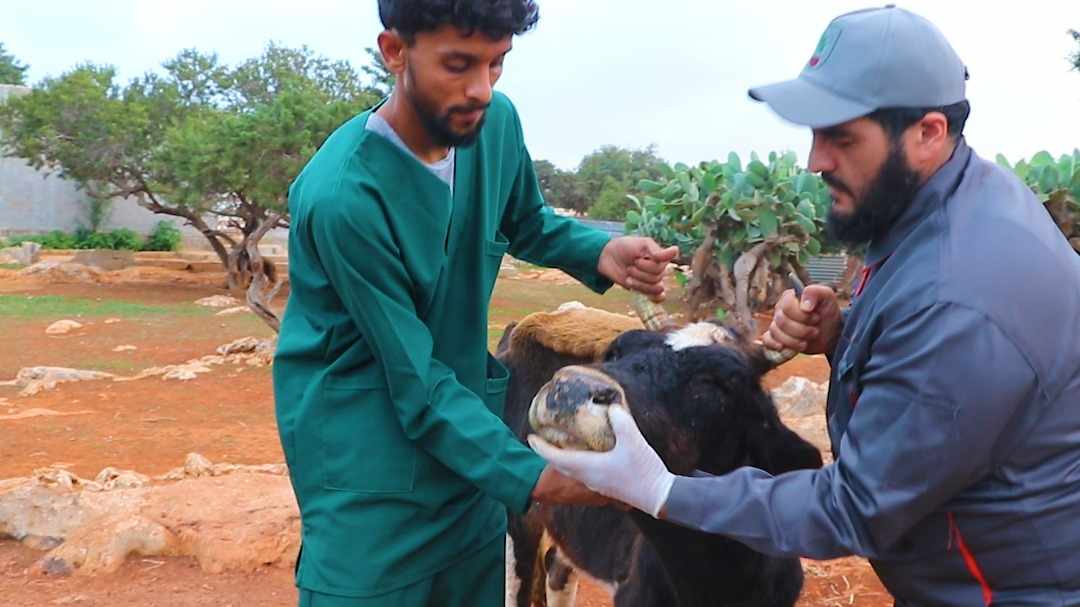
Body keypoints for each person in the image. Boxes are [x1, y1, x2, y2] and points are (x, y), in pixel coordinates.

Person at [531, 6, 1080, 605]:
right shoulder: (954, 205)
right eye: (815, 135)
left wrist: (663, 490)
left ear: (927, 133)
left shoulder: (964, 295)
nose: (816, 161)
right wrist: (843, 336)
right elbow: (948, 375)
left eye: (842, 137)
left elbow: (857, 508)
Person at [272, 1, 679, 605]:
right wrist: (540, 477)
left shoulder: (492, 125)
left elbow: (526, 219)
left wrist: (601, 253)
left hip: (470, 452)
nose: (481, 89)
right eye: (459, 65)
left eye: (497, 64)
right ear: (395, 52)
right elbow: (415, 382)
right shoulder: (343, 198)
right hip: (368, 477)